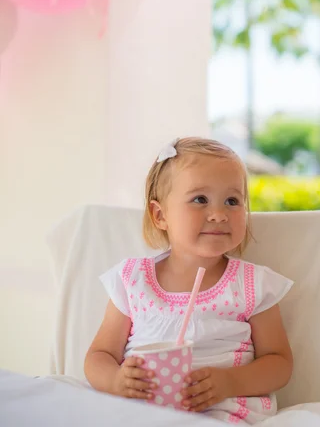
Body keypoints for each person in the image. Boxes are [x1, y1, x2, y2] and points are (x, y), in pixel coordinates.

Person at [84, 137, 293, 424]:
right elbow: (99, 355)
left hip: (220, 411)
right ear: (160, 215)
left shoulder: (252, 284)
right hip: (140, 409)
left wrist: (229, 383)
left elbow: (279, 364)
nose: (220, 214)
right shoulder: (134, 281)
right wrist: (116, 380)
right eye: (200, 199)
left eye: (232, 201)